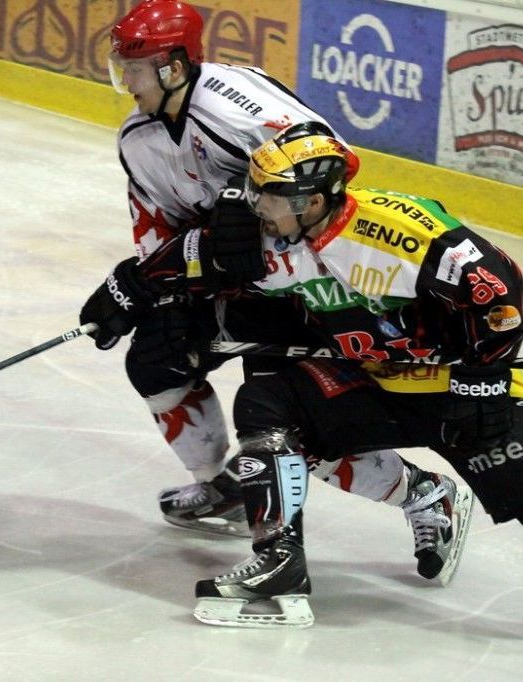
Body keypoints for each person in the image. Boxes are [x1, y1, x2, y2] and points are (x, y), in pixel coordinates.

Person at [94, 120, 522, 627]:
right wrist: (127, 289)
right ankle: (280, 562)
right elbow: (197, 257)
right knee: (269, 405)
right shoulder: (276, 236)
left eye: (268, 197)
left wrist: (484, 378)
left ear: (312, 201)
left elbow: (501, 296)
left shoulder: (396, 231)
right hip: (378, 384)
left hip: (472, 390)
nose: (256, 206)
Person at [80, 0, 454, 560]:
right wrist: (155, 283)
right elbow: (155, 221)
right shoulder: (137, 139)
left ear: (174, 67)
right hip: (224, 282)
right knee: (155, 360)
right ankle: (218, 487)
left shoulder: (238, 105)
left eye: (133, 67)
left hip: (301, 286)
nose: (124, 79)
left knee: (285, 418)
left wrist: (247, 211)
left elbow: (335, 163)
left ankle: (424, 494)